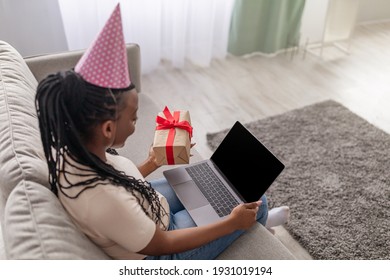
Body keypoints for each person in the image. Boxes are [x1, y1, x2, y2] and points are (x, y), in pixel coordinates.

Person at [35, 4, 289, 260]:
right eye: (133, 119)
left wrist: (152, 162)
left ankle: (253, 223)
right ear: (108, 128)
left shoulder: (74, 149)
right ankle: (260, 224)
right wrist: (231, 223)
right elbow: (161, 243)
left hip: (146, 209)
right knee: (257, 202)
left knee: (209, 185)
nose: (136, 125)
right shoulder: (104, 200)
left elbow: (118, 179)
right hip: (160, 249)